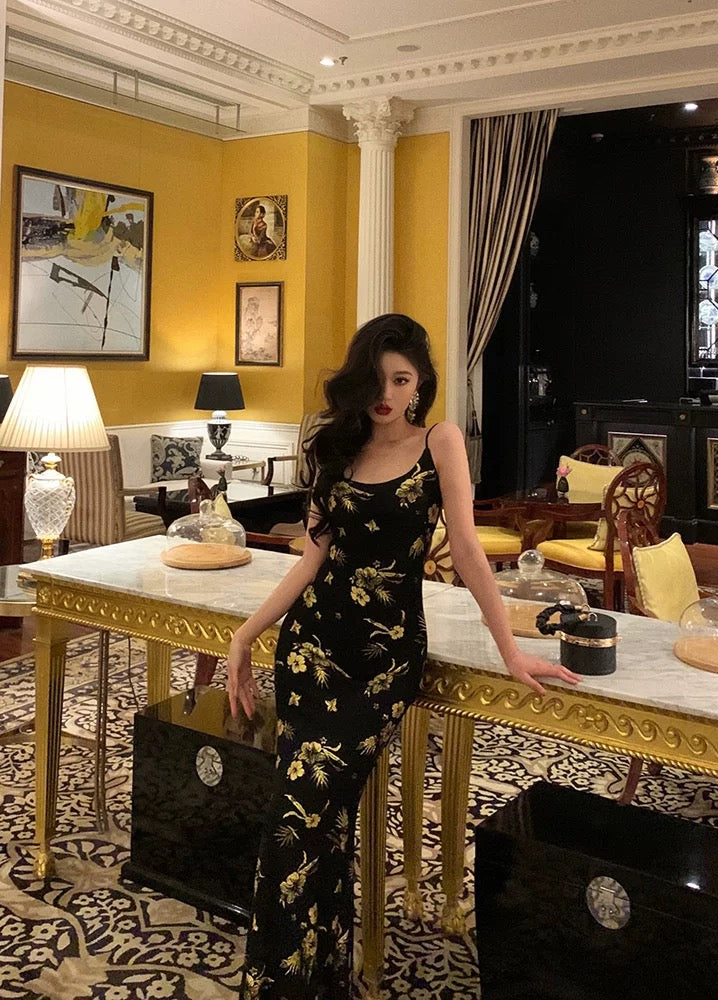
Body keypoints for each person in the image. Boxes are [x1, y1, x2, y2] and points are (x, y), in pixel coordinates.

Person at [227, 313, 580, 999]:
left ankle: (280, 986)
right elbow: (312, 560)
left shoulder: (439, 442)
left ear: (420, 386)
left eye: (401, 380)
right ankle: (318, 979)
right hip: (311, 651)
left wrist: (509, 649)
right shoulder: (338, 449)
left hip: (382, 663)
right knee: (314, 825)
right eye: (376, 379)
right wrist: (246, 635)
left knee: (299, 819)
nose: (386, 394)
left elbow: (468, 550)